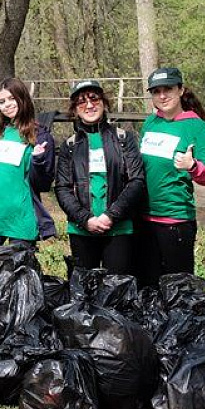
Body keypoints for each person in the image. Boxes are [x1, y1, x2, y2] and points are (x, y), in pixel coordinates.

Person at [0, 78, 57, 274]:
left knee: (19, 283)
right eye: (2, 101)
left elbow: (42, 184)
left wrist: (39, 160)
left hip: (21, 221)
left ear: (22, 98)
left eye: (12, 98)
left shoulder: (39, 136)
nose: (7, 105)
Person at [135, 67, 205, 282]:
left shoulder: (197, 127)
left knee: (177, 289)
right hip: (143, 220)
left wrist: (193, 166)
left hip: (175, 221)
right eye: (156, 91)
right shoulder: (150, 122)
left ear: (180, 90)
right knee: (147, 287)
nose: (162, 96)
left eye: (168, 89)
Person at [54, 80, 145, 275]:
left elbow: (136, 181)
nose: (89, 105)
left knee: (117, 287)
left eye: (94, 99)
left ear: (104, 103)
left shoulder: (123, 139)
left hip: (119, 228)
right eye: (81, 102)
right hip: (81, 229)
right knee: (84, 288)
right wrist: (85, 219)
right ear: (75, 109)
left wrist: (111, 215)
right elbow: (62, 188)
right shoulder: (69, 146)